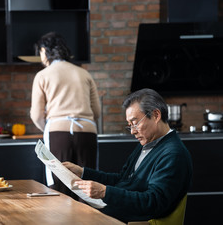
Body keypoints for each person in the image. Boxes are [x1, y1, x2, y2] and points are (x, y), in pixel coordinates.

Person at [63, 88, 193, 223]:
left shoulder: (173, 154)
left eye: (135, 123)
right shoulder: (147, 144)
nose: (132, 131)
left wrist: (105, 193)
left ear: (155, 115)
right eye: (129, 125)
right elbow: (122, 180)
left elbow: (153, 203)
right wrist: (83, 173)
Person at [30, 32, 101, 197]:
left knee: (59, 186)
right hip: (87, 131)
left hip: (57, 133)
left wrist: (49, 126)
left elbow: (36, 114)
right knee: (88, 185)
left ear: (44, 50)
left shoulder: (43, 75)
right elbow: (96, 111)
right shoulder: (84, 74)